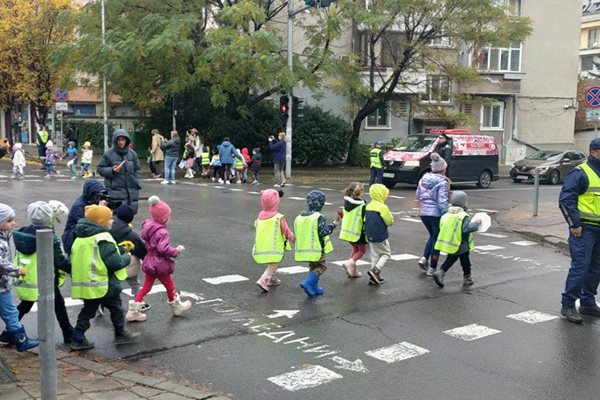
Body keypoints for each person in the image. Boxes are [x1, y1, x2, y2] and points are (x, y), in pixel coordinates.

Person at [69, 204, 138, 350]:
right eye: (109, 218)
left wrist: (120, 248)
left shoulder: (81, 238)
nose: (112, 221)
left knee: (88, 310)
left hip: (89, 283)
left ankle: (78, 336)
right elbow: (114, 262)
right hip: (105, 283)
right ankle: (120, 332)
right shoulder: (103, 238)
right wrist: (126, 257)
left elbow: (101, 254)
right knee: (116, 308)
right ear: (101, 222)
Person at [12, 201, 74, 344]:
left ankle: (9, 330)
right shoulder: (49, 237)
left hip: (29, 276)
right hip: (46, 276)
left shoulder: (22, 233)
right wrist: (74, 269)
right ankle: (68, 332)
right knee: (58, 303)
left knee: (27, 303)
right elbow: (59, 261)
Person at [127, 196, 191, 321]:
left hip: (149, 261)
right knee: (170, 285)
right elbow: (163, 249)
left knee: (146, 287)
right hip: (159, 264)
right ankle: (176, 306)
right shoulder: (162, 232)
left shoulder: (149, 226)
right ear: (165, 217)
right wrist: (176, 250)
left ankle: (133, 311)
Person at [558, 137, 600, 323]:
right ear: (594, 152)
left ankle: (588, 303)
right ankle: (568, 305)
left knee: (596, 268)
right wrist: (574, 224)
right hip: (584, 229)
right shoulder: (581, 172)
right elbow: (566, 200)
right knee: (581, 267)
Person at [0, 203, 39, 351]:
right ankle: (22, 341)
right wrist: (18, 270)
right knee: (10, 313)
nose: (13, 223)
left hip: (2, 285)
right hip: (2, 286)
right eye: (9, 221)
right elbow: (1, 263)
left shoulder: (3, 236)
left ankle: (10, 336)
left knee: (10, 312)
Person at [432, 191, 481, 288]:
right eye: (466, 202)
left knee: (450, 259)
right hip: (461, 243)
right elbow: (466, 228)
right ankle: (467, 278)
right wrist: (476, 223)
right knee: (465, 262)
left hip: (451, 243)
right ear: (462, 203)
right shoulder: (463, 216)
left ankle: (440, 272)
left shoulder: (446, 214)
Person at [296, 190, 339, 297]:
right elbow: (323, 232)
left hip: (306, 248)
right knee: (321, 267)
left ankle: (313, 288)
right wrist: (333, 225)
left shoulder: (300, 216)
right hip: (317, 248)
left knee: (313, 267)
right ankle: (308, 282)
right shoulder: (318, 217)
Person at [109, 203, 149, 313]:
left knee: (110, 283)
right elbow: (140, 250)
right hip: (124, 261)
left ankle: (101, 304)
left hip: (108, 259)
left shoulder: (108, 224)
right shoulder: (130, 234)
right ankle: (139, 301)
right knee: (134, 281)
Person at [253, 189, 295, 292]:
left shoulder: (260, 217)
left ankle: (272, 279)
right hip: (274, 246)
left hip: (262, 246)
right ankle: (264, 279)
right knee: (273, 264)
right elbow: (286, 230)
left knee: (272, 262)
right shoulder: (278, 217)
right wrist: (293, 238)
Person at [416, 153, 449, 276]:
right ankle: (432, 268)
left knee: (432, 236)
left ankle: (424, 258)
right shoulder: (442, 182)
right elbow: (442, 201)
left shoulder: (423, 178)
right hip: (436, 214)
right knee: (437, 240)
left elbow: (418, 195)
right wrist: (445, 214)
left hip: (424, 212)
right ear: (443, 169)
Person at [96, 129, 142, 213]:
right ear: (115, 140)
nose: (121, 142)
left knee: (129, 217)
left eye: (123, 139)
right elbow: (100, 168)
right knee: (117, 218)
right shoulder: (108, 154)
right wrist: (112, 170)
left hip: (131, 192)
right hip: (115, 192)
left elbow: (137, 170)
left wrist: (137, 182)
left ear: (127, 140)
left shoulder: (133, 154)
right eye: (119, 140)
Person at [62, 180, 108, 255]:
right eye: (97, 196)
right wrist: (100, 210)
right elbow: (86, 226)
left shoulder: (92, 202)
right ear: (90, 194)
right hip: (72, 238)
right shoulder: (79, 206)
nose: (99, 199)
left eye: (100, 197)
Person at [364, 183, 394, 285]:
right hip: (380, 235)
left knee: (375, 255)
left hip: (369, 234)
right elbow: (389, 221)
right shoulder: (382, 207)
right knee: (386, 254)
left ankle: (374, 277)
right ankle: (375, 270)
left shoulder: (368, 206)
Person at [339, 182, 367, 278]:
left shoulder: (347, 202)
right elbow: (364, 218)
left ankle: (353, 271)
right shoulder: (362, 204)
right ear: (360, 192)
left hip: (347, 231)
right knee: (362, 250)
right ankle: (349, 263)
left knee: (355, 249)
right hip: (357, 231)